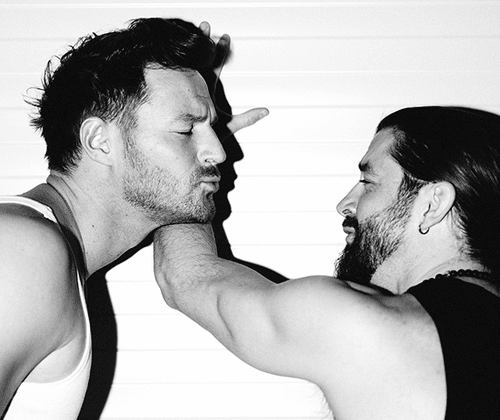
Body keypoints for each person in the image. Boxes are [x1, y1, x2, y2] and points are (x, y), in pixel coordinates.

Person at [153, 106, 500, 420]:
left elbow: (186, 277)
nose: (345, 204)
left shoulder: (371, 326)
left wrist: (194, 153)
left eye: (368, 182)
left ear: (433, 204)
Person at [0, 17, 266, 419]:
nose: (219, 153)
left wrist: (194, 141)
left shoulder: (36, 253)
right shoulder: (23, 253)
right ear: (99, 141)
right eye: (186, 130)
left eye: (211, 130)